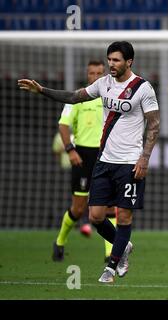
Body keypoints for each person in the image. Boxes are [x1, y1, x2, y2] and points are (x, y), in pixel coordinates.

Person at [18, 41, 160, 283]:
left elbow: (154, 125)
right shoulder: (103, 84)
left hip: (129, 163)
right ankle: (123, 246)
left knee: (124, 217)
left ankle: (111, 268)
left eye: (116, 60)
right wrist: (42, 90)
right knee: (95, 216)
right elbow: (74, 97)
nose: (111, 64)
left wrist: (144, 158)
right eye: (109, 59)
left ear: (129, 62)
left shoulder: (143, 88)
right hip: (104, 161)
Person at [51, 60, 118, 263]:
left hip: (106, 156)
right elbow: (63, 126)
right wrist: (70, 150)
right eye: (92, 73)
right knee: (79, 209)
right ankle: (60, 241)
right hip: (83, 157)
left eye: (100, 73)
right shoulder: (78, 98)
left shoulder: (111, 97)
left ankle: (109, 252)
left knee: (109, 207)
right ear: (87, 74)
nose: (96, 76)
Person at [52, 130, 94, 239]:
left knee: (84, 198)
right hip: (65, 170)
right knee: (68, 200)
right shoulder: (59, 136)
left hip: (80, 170)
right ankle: (61, 224)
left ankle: (85, 223)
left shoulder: (85, 134)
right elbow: (56, 152)